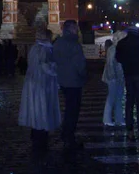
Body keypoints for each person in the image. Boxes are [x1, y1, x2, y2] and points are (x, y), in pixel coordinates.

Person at [18, 29, 61, 151]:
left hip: (32, 81)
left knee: (34, 107)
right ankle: (42, 131)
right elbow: (46, 66)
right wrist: (57, 71)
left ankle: (35, 131)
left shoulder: (34, 48)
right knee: (43, 107)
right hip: (43, 83)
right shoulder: (46, 49)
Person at [52, 19, 87, 149]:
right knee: (73, 111)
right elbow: (80, 65)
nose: (77, 30)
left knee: (68, 109)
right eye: (75, 28)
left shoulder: (58, 43)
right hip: (74, 81)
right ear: (71, 29)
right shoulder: (74, 43)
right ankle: (69, 136)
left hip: (62, 80)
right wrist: (84, 75)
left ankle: (65, 134)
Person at [102, 31, 126, 127]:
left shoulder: (116, 48)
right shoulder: (113, 49)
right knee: (112, 97)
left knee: (118, 98)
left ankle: (118, 119)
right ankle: (107, 119)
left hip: (118, 77)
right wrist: (113, 77)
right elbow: (110, 64)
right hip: (113, 78)